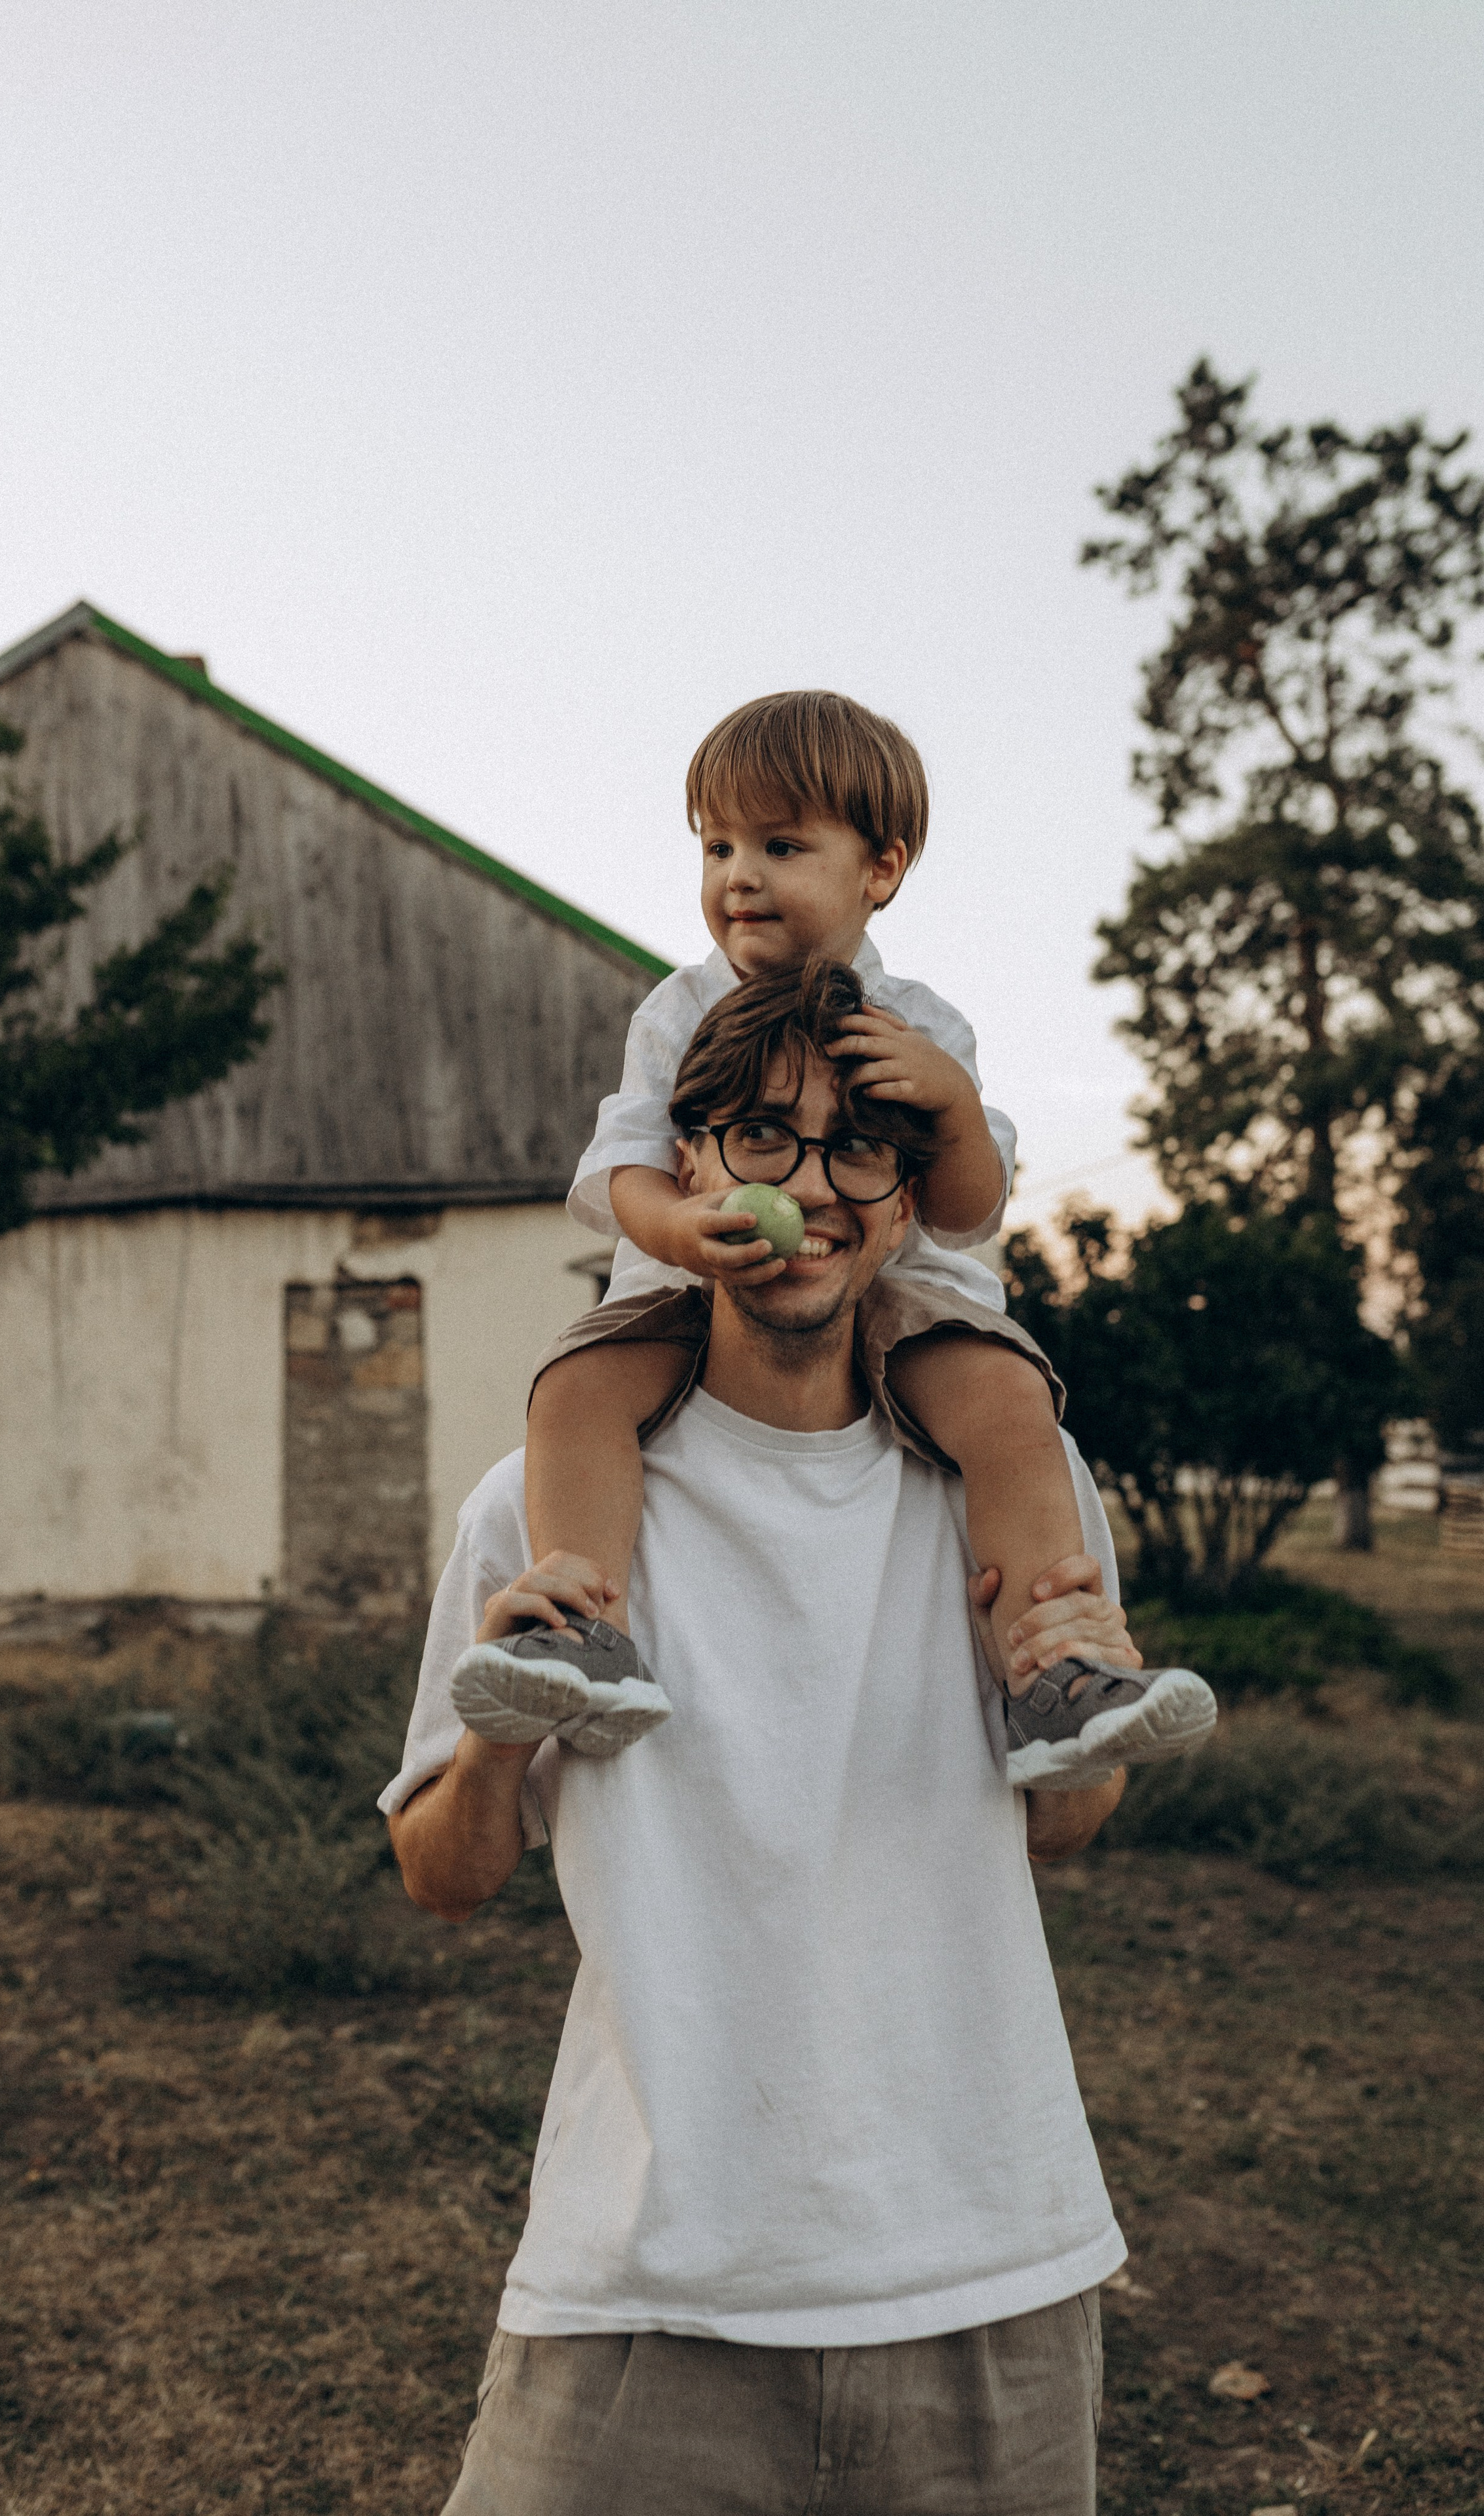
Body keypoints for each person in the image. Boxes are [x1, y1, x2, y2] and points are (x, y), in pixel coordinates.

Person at [380, 962, 1197, 2515]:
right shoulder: (539, 1502)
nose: (808, 1190)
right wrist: (500, 1738)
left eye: (859, 1147)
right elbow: (438, 1875)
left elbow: (1057, 1830)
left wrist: (1077, 1707)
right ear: (683, 1163)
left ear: (907, 1199)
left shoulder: (1008, 1483)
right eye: (762, 1138)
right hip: (643, 2285)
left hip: (983, 2272)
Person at [454, 689, 1213, 1787]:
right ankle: (582, 1635)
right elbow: (617, 1168)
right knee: (575, 1388)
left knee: (1008, 1403)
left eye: (779, 843)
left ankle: (1056, 1674)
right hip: (694, 1288)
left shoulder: (925, 1025)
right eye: (716, 846)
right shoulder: (680, 1012)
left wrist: (949, 1106)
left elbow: (964, 1207)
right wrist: (683, 1229)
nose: (737, 876)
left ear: (881, 869)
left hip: (902, 1295)